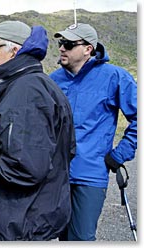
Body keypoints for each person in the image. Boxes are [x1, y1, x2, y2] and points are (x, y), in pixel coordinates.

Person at [0, 20, 75, 241]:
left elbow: (25, 169)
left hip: (22, 226)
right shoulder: (31, 85)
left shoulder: (27, 93)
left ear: (14, 51)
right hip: (25, 220)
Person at [50, 23, 137, 241]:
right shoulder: (52, 80)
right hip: (54, 175)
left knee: (81, 238)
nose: (62, 49)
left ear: (88, 49)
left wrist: (119, 154)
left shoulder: (115, 77)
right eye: (61, 44)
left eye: (68, 44)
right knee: (59, 236)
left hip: (90, 175)